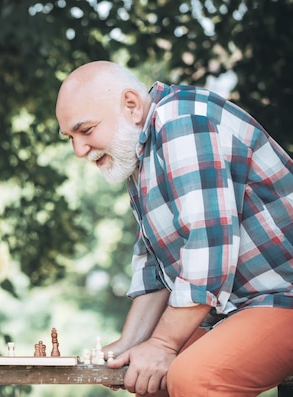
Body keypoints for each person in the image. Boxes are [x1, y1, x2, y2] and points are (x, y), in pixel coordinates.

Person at [55, 60, 293, 396]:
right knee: (146, 380)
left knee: (195, 377)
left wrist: (163, 344)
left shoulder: (182, 122)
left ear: (131, 106)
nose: (79, 150)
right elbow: (156, 268)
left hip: (283, 297)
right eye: (70, 137)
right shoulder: (139, 152)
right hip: (244, 307)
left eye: (87, 130)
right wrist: (130, 343)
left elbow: (209, 249)